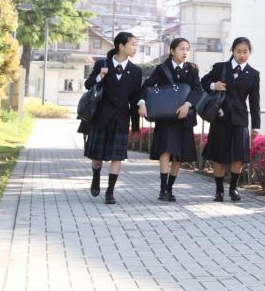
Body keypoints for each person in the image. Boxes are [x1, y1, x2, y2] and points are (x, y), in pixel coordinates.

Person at [81, 32, 143, 205]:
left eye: (136, 44)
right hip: (100, 117)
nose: (135, 48)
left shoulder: (136, 71)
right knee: (97, 156)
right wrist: (100, 76)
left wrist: (141, 106)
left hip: (121, 118)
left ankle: (110, 192)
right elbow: (88, 85)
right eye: (132, 44)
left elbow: (136, 96)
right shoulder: (102, 64)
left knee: (117, 156)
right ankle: (95, 177)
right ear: (121, 46)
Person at [138, 38, 203, 202]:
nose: (185, 52)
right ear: (172, 51)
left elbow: (197, 90)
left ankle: (169, 188)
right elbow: (147, 87)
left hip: (184, 118)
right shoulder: (162, 69)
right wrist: (142, 103)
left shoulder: (192, 69)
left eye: (187, 49)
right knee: (165, 151)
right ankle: (162, 189)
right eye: (181, 49)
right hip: (166, 118)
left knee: (178, 156)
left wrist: (187, 105)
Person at [200, 37, 260, 202]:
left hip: (240, 119)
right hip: (220, 117)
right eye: (238, 51)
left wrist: (256, 127)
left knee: (238, 156)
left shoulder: (254, 74)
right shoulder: (221, 68)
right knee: (218, 156)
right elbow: (203, 81)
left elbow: (255, 102)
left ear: (249, 53)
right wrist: (214, 85)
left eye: (245, 52)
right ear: (232, 51)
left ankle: (233, 189)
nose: (242, 55)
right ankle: (219, 191)